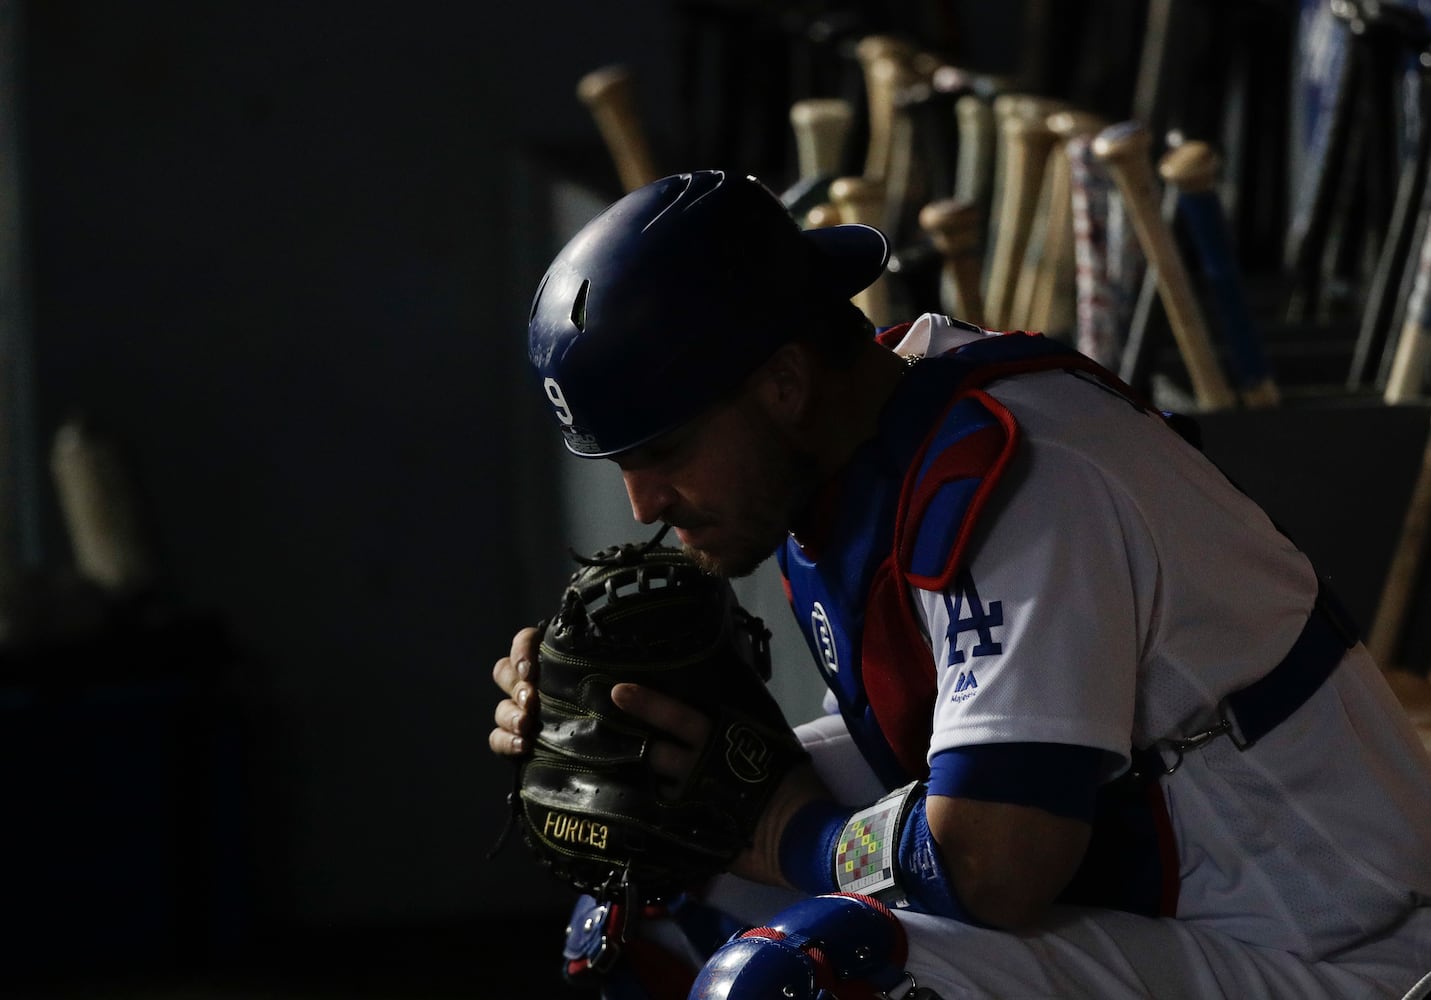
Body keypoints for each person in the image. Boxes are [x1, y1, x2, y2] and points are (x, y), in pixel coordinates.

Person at [489, 169, 1431, 998]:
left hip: (1337, 958)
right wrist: (631, 731)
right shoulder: (853, 457)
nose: (644, 499)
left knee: (802, 982)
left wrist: (780, 828)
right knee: (642, 892)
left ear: (782, 383)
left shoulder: (1024, 480)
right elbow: (939, 775)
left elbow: (992, 861)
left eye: (664, 449)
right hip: (1156, 911)